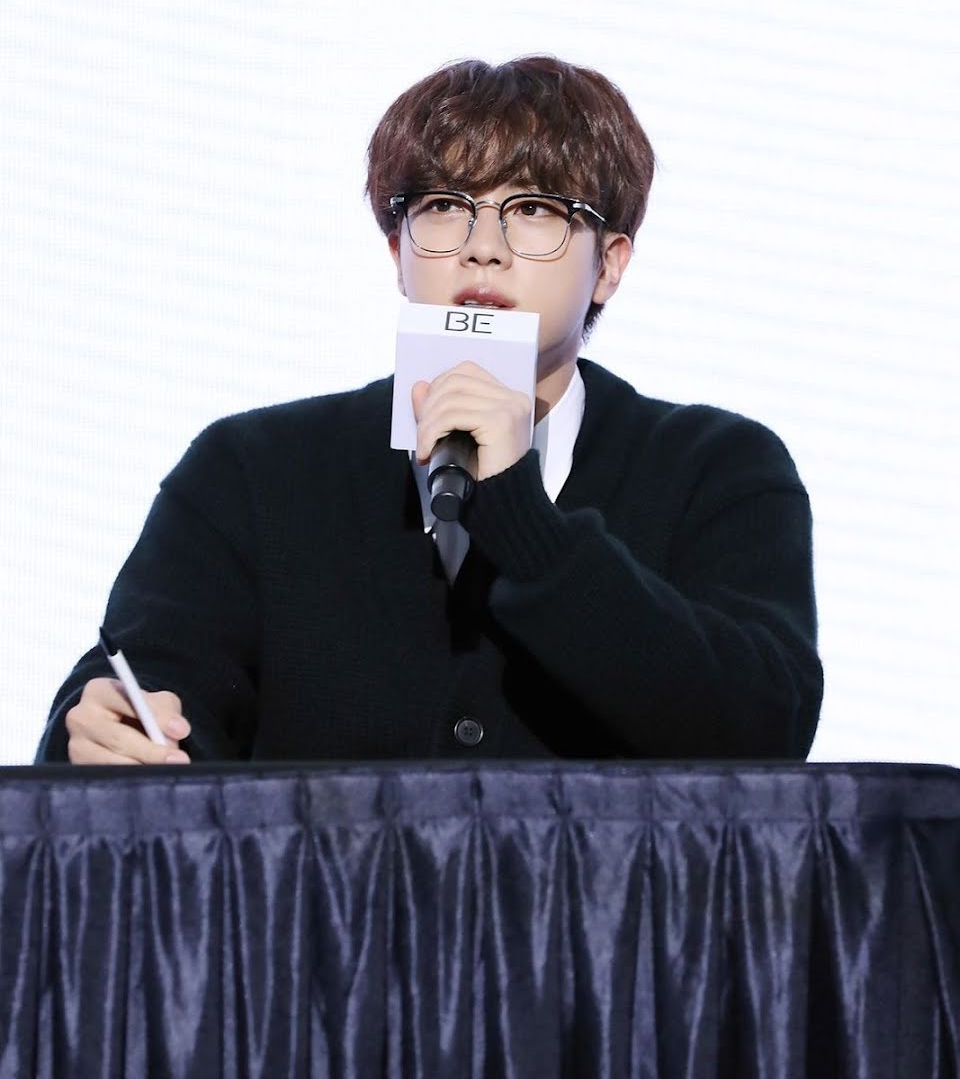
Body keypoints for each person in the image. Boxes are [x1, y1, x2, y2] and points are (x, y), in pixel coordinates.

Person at [36, 56, 822, 765]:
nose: (484, 246)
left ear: (609, 264)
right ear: (398, 254)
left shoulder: (718, 468)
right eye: (446, 205)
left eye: (534, 209)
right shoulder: (253, 469)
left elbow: (764, 728)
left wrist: (521, 514)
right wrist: (103, 738)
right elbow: (148, 698)